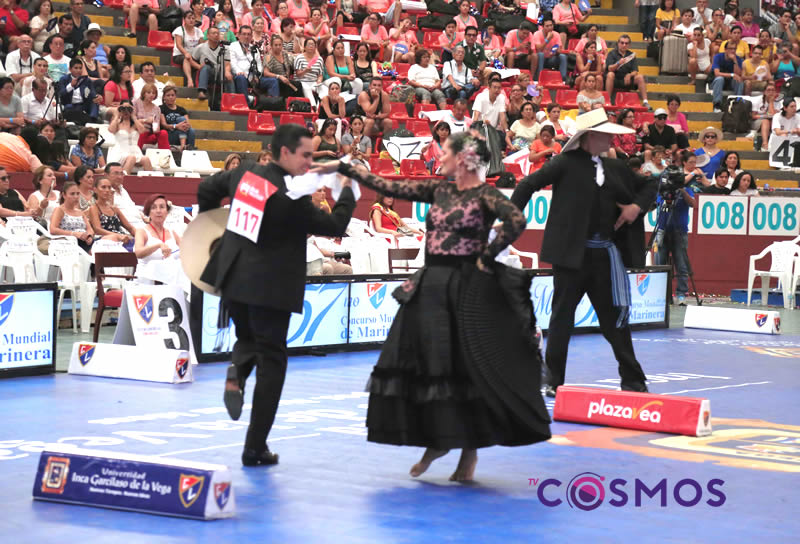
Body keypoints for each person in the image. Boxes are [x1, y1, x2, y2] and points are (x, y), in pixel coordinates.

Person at [312, 131, 551, 482]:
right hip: (431, 286)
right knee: (428, 364)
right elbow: (386, 185)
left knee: (467, 369)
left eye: (446, 152)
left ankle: (467, 454)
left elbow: (516, 220)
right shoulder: (439, 190)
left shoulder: (485, 195)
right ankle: (438, 439)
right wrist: (345, 167)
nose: (439, 157)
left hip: (467, 290)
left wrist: (486, 256)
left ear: (465, 159)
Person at [197, 123, 356, 466]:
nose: (309, 162)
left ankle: (238, 372)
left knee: (248, 339)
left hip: (233, 279)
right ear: (284, 152)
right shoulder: (291, 197)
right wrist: (348, 191)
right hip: (269, 288)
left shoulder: (245, 173)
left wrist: (213, 226)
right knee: (272, 364)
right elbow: (335, 226)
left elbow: (207, 189)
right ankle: (254, 447)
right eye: (305, 155)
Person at [511, 107, 655, 397]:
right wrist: (509, 218)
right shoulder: (564, 163)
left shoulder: (615, 167)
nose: (611, 140)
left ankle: (633, 380)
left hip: (605, 256)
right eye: (605, 135)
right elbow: (528, 183)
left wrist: (635, 207)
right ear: (589, 137)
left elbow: (651, 183)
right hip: (570, 257)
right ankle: (553, 381)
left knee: (615, 321)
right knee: (561, 319)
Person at [605, 35, 650, 111]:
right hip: (615, 78)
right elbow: (610, 68)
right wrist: (618, 63)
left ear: (629, 45)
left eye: (626, 43)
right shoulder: (612, 53)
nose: (624, 45)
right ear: (618, 43)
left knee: (640, 77)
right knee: (610, 74)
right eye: (622, 43)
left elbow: (635, 71)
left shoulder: (631, 55)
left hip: (626, 79)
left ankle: (645, 102)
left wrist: (629, 75)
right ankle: (608, 101)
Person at [108, 99, 153, 173]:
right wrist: (117, 115)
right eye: (123, 109)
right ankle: (124, 179)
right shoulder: (117, 123)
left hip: (135, 151)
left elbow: (142, 131)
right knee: (131, 158)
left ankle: (151, 180)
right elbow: (111, 130)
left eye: (129, 109)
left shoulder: (136, 123)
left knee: (146, 159)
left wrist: (134, 116)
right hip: (120, 152)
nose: (126, 111)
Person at [88, 176, 137, 243]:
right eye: (103, 187)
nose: (107, 190)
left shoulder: (114, 208)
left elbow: (130, 227)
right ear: (95, 190)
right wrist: (117, 236)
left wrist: (139, 235)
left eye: (109, 187)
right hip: (105, 241)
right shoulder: (94, 208)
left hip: (121, 238)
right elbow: (98, 230)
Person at [49, 181, 94, 250]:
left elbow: (89, 229)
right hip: (67, 244)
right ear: (64, 195)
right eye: (72, 194)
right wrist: (73, 234)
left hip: (84, 242)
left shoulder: (80, 212)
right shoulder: (59, 210)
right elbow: (53, 229)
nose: (76, 197)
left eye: (78, 194)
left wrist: (89, 236)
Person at [59, 58, 98, 122]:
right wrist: (71, 85)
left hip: (83, 104)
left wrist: (97, 97)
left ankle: (93, 120)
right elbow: (61, 94)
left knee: (95, 102)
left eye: (80, 68)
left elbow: (92, 92)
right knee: (69, 108)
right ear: (70, 69)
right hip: (70, 104)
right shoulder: (64, 79)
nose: (78, 70)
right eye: (76, 68)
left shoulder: (86, 80)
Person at [173, 10, 205, 88]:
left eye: (193, 18)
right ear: (184, 19)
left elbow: (201, 45)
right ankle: (190, 80)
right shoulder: (179, 30)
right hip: (180, 54)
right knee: (186, 58)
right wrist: (186, 53)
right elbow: (179, 45)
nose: (191, 20)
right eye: (189, 18)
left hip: (194, 55)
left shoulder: (198, 31)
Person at [192, 27, 225, 101]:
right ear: (208, 35)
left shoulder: (224, 48)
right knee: (205, 67)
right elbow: (191, 60)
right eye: (213, 33)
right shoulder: (201, 47)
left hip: (220, 72)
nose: (216, 35)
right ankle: (201, 91)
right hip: (208, 72)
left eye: (218, 33)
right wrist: (199, 66)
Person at [133, 83, 169, 150]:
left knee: (163, 133)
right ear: (144, 93)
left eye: (153, 93)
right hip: (137, 131)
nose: (151, 95)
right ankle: (136, 154)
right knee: (142, 133)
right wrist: (145, 120)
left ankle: (165, 154)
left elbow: (156, 130)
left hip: (149, 133)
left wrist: (154, 124)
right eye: (149, 92)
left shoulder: (157, 109)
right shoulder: (136, 103)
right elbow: (133, 120)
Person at [710, 40, 743, 113]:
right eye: (730, 49)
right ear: (725, 49)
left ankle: (737, 104)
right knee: (720, 79)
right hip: (716, 82)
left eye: (734, 49)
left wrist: (734, 61)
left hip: (730, 83)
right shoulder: (718, 57)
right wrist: (731, 75)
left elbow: (738, 74)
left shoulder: (737, 59)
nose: (733, 51)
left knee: (739, 81)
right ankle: (717, 105)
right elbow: (717, 73)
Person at [160, 85, 196, 151]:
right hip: (170, 134)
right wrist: (176, 126)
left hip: (182, 133)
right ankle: (183, 146)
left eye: (172, 95)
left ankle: (190, 150)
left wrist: (182, 126)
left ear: (175, 96)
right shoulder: (161, 108)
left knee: (192, 131)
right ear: (164, 97)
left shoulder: (181, 109)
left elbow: (188, 124)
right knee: (181, 120)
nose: (170, 97)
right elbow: (164, 125)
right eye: (168, 95)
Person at [751, 82, 780, 152]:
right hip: (757, 122)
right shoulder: (758, 100)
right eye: (768, 90)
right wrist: (764, 116)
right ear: (764, 92)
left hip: (771, 122)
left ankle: (776, 144)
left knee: (772, 122)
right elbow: (753, 116)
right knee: (765, 121)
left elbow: (772, 115)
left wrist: (771, 102)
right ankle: (765, 144)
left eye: (773, 90)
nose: (771, 92)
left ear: (775, 92)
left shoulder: (778, 102)